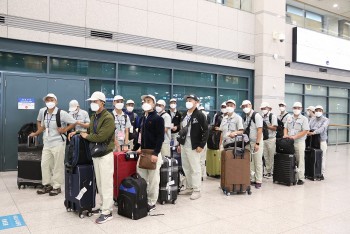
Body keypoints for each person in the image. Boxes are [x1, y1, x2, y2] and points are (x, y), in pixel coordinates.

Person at [70, 91, 115, 224]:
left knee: (106, 184)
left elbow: (101, 137)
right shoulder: (94, 116)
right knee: (100, 183)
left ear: (102, 102)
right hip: (96, 153)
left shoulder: (108, 118)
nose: (93, 104)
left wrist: (86, 136)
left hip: (105, 154)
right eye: (92, 102)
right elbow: (90, 131)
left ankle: (108, 211)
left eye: (95, 101)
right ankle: (102, 207)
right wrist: (78, 132)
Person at [29, 93, 77, 196]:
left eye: (51, 100)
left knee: (57, 165)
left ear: (56, 101)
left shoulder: (62, 113)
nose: (49, 102)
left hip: (58, 142)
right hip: (47, 142)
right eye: (47, 100)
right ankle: (47, 185)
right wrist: (36, 133)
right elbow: (43, 126)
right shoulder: (44, 112)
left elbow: (73, 122)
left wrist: (65, 129)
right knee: (45, 164)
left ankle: (57, 186)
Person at [132, 94, 164, 211]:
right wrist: (137, 147)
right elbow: (140, 136)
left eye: (149, 101)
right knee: (141, 178)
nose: (146, 102)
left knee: (154, 180)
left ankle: (151, 201)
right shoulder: (143, 119)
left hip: (153, 153)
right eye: (144, 101)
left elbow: (160, 138)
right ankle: (143, 198)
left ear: (154, 104)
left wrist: (156, 153)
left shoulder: (158, 119)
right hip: (143, 153)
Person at [178, 94, 208, 200]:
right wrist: (179, 144)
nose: (188, 101)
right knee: (186, 166)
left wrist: (201, 145)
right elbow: (182, 131)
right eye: (187, 100)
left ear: (196, 102)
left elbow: (206, 130)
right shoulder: (184, 115)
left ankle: (197, 190)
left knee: (195, 167)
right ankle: (189, 187)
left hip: (194, 144)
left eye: (191, 100)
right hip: (184, 143)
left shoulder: (199, 115)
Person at [284, 102, 310, 185]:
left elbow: (305, 131)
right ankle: (292, 176)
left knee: (300, 160)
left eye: (298, 108)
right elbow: (285, 127)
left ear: (301, 109)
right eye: (295, 108)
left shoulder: (304, 119)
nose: (296, 109)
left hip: (299, 142)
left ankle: (301, 178)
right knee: (291, 159)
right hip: (289, 141)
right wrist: (285, 134)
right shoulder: (289, 117)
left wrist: (295, 137)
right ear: (292, 108)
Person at [241, 100, 264, 189]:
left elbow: (259, 130)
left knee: (258, 161)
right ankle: (253, 179)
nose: (245, 108)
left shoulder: (256, 116)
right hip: (249, 142)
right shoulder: (246, 116)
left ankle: (258, 180)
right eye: (243, 107)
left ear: (250, 105)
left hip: (256, 141)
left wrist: (257, 143)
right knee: (251, 162)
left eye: (246, 106)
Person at [308, 105, 329, 180]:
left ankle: (321, 174)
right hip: (313, 141)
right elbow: (308, 127)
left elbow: (323, 128)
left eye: (320, 110)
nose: (318, 112)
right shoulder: (312, 119)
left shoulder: (325, 119)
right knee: (313, 157)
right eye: (316, 110)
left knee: (322, 157)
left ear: (322, 111)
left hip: (321, 141)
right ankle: (313, 172)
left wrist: (314, 132)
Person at [260, 102, 278, 178]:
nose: (263, 110)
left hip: (271, 139)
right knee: (266, 156)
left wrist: (266, 126)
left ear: (268, 108)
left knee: (271, 156)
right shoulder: (261, 116)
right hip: (264, 139)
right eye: (262, 109)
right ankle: (267, 171)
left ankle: (272, 172)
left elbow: (275, 128)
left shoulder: (272, 116)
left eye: (265, 108)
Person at [198, 106, 209, 181]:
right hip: (199, 143)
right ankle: (200, 175)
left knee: (201, 160)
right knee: (199, 160)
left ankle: (200, 175)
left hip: (202, 143)